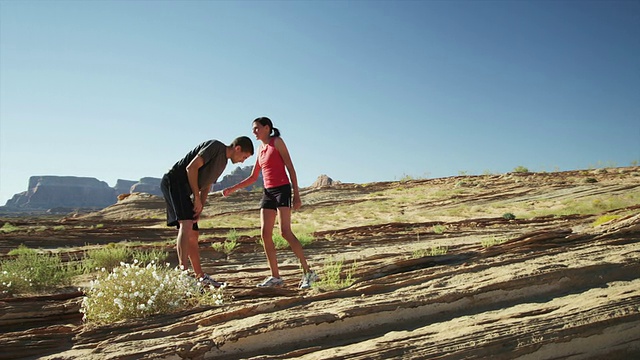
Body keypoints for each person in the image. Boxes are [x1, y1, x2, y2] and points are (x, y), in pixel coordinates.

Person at [223, 117, 318, 289]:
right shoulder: (260, 149)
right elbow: (253, 177)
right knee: (265, 233)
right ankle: (276, 277)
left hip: (282, 189)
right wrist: (232, 188)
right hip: (268, 192)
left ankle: (308, 273)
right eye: (253, 129)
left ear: (267, 128)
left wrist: (297, 194)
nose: (254, 132)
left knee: (285, 232)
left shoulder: (277, 142)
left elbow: (290, 167)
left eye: (257, 128)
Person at [161, 136, 254, 287]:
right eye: (244, 157)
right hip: (174, 182)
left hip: (185, 191)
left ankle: (200, 276)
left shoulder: (223, 163)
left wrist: (200, 206)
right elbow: (191, 168)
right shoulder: (215, 147)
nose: (243, 161)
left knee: (193, 233)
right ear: (237, 148)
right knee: (186, 225)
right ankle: (182, 274)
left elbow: (206, 184)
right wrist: (196, 197)